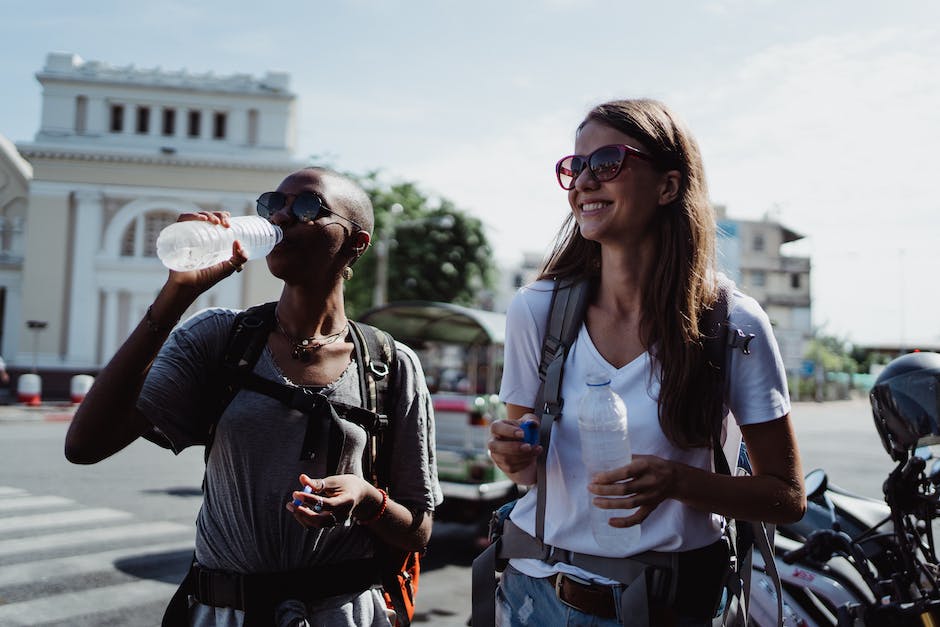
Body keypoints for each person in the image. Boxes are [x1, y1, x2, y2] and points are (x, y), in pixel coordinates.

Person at [65, 167, 442, 627]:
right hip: (224, 613)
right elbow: (84, 446)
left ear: (355, 243)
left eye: (307, 207)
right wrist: (176, 294)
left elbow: (418, 531)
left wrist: (365, 499)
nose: (281, 217)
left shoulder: (390, 364)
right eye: (272, 204)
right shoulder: (219, 337)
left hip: (343, 614)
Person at [488, 99, 806, 626]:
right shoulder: (536, 310)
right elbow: (525, 467)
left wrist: (678, 482)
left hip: (675, 606)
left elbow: (786, 497)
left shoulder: (733, 323)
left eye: (607, 161)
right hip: (536, 598)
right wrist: (512, 453)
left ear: (668, 186)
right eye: (575, 166)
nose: (584, 181)